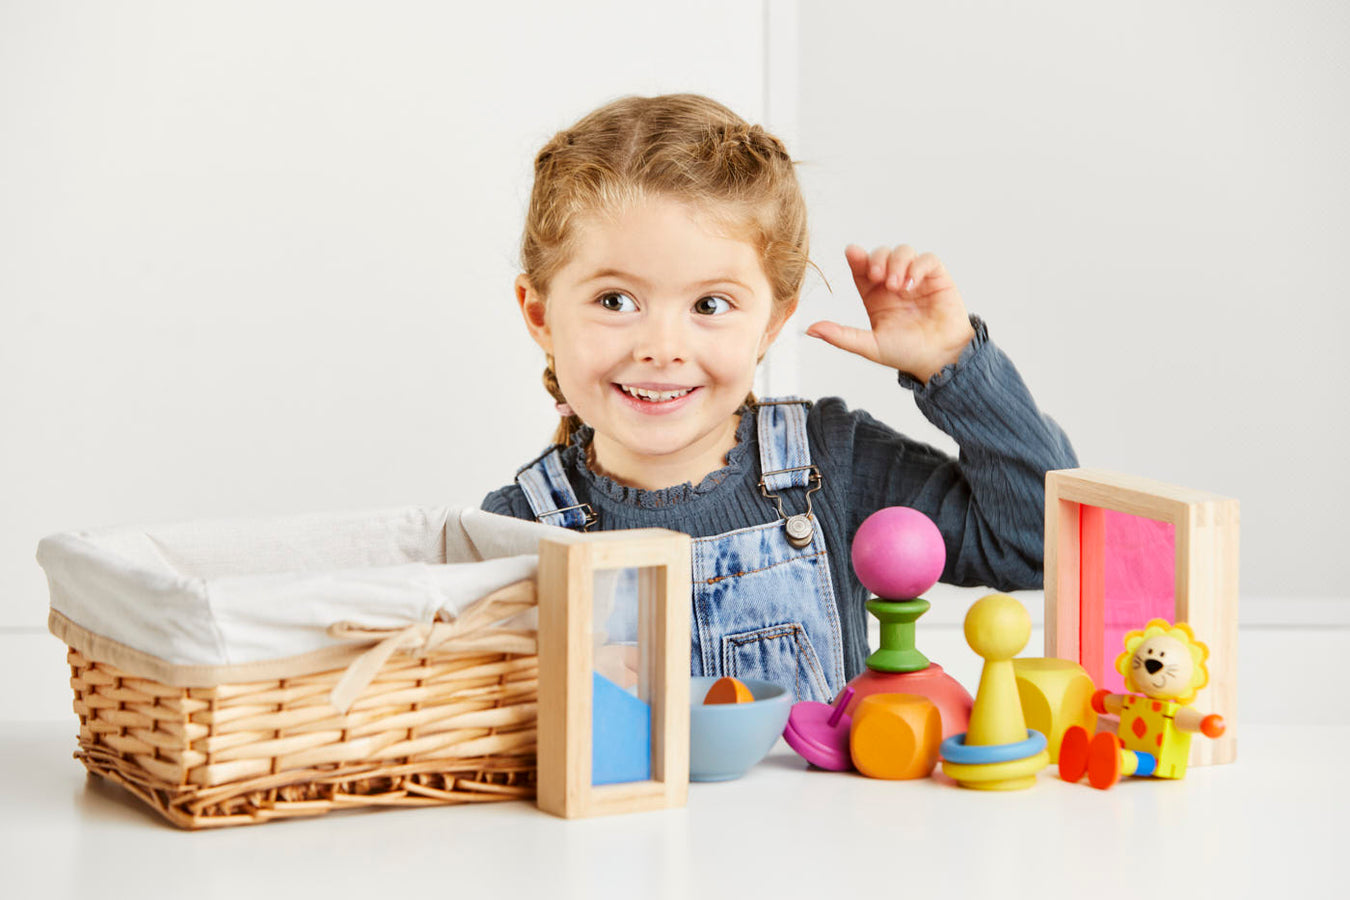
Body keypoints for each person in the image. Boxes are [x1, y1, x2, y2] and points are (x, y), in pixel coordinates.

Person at [480, 93, 1077, 703]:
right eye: (615, 301)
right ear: (540, 314)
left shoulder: (832, 464)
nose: (662, 347)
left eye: (709, 305)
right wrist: (548, 692)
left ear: (771, 323)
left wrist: (955, 366)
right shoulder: (511, 532)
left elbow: (1043, 542)